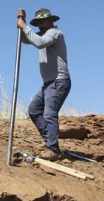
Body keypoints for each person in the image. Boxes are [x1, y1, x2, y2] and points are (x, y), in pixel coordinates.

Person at [16, 8, 71, 161]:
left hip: (59, 81)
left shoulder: (54, 33)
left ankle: (52, 149)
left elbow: (40, 43)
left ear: (51, 20)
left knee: (49, 114)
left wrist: (25, 26)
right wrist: (21, 26)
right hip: (48, 83)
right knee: (34, 110)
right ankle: (49, 141)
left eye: (43, 21)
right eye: (38, 22)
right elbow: (26, 39)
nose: (40, 24)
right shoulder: (41, 34)